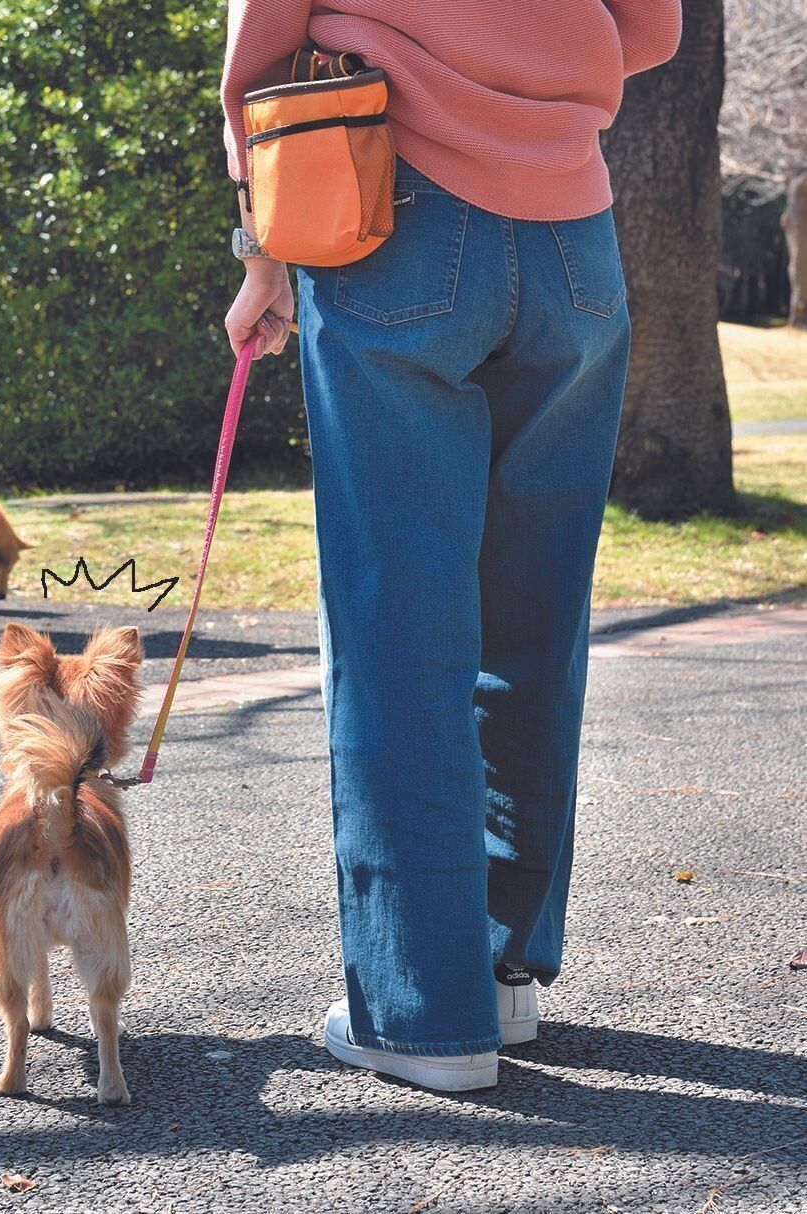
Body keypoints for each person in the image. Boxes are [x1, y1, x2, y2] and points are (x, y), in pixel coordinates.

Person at [222, 1, 682, 1090]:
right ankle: (500, 970)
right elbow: (653, 29)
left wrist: (259, 253)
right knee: (533, 620)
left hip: (390, 209)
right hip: (574, 230)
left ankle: (425, 1015)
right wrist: (530, 74)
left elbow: (254, 64)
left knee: (396, 630)